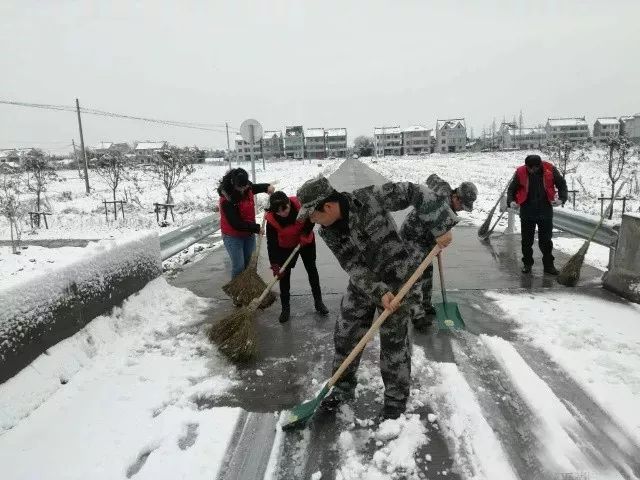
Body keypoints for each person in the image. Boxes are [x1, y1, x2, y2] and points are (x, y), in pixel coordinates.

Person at [296, 176, 458, 419]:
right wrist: (380, 292)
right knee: (345, 333)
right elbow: (353, 265)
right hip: (365, 284)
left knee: (394, 345)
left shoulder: (370, 197)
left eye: (313, 214)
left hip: (400, 279)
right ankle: (341, 389)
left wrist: (441, 226)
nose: (312, 220)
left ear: (327, 206)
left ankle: (395, 402)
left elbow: (415, 191)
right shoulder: (327, 232)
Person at [400, 174, 477, 331]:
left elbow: (434, 180)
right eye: (462, 206)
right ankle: (417, 316)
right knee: (415, 276)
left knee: (428, 271)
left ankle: (425, 304)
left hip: (426, 239)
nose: (462, 210)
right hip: (412, 237)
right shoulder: (440, 203)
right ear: (456, 198)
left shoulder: (447, 200)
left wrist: (437, 240)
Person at [265, 191, 329, 324]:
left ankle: (318, 302)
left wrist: (306, 233)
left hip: (305, 242)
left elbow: (311, 218)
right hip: (286, 247)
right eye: (279, 212)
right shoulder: (271, 220)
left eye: (285, 209)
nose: (283, 213)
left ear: (289, 203)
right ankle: (285, 309)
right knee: (284, 276)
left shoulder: (300, 205)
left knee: (311, 270)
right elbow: (271, 244)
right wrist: (275, 263)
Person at [506, 154, 568, 275]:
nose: (532, 170)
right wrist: (511, 201)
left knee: (546, 241)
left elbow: (561, 184)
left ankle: (549, 266)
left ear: (539, 165)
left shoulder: (550, 169)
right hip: (527, 210)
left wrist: (562, 198)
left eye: (534, 168)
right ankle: (527, 264)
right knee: (526, 241)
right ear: (526, 166)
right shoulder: (520, 171)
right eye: (529, 168)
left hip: (545, 209)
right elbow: (511, 189)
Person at [217, 168, 274, 279]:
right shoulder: (226, 199)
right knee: (239, 266)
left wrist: (267, 187)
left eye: (245, 186)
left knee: (250, 265)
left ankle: (248, 289)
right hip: (232, 236)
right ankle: (238, 293)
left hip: (248, 234)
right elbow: (236, 224)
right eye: (240, 187)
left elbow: (254, 187)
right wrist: (256, 228)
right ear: (234, 184)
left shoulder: (247, 187)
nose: (244, 189)